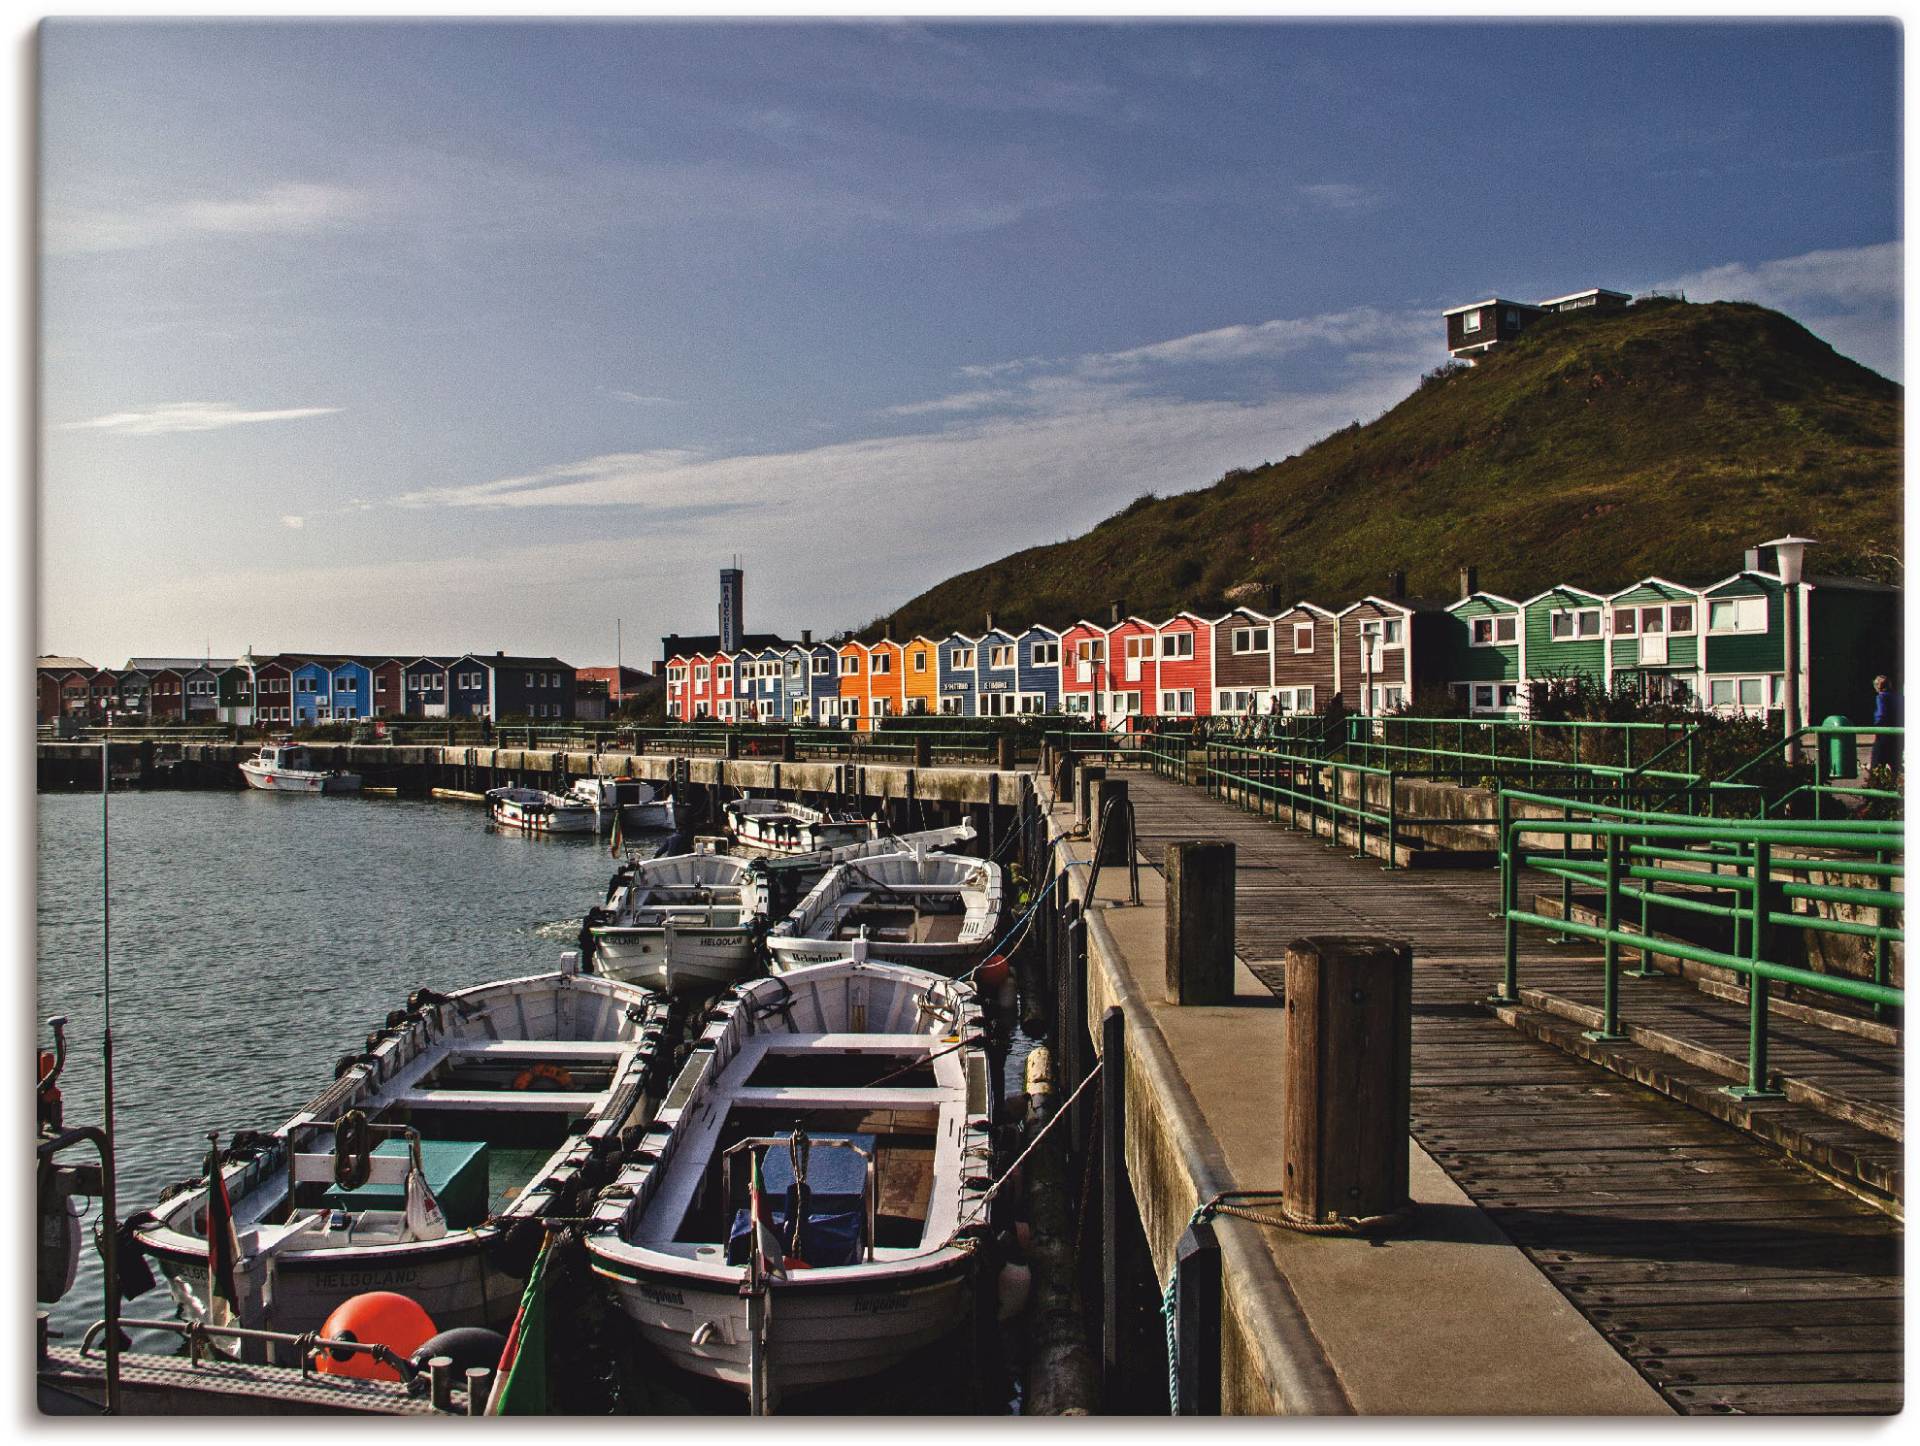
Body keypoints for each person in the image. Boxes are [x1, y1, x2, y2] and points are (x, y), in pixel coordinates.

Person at [1868, 675, 1902, 774]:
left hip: (1884, 734)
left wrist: (1877, 726)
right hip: (1898, 734)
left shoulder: (1881, 697)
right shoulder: (1900, 697)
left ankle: (1876, 786)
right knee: (1895, 765)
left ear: (1878, 687)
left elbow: (1881, 714)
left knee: (1876, 765)